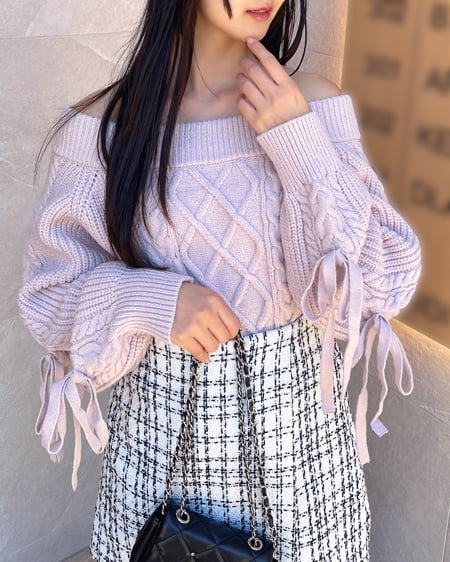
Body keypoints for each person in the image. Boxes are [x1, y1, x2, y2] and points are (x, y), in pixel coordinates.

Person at [18, 1, 422, 560]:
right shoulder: (105, 129)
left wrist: (300, 144)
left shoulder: (310, 104)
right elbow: (49, 301)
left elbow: (385, 284)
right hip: (159, 478)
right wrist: (154, 301)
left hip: (306, 478)